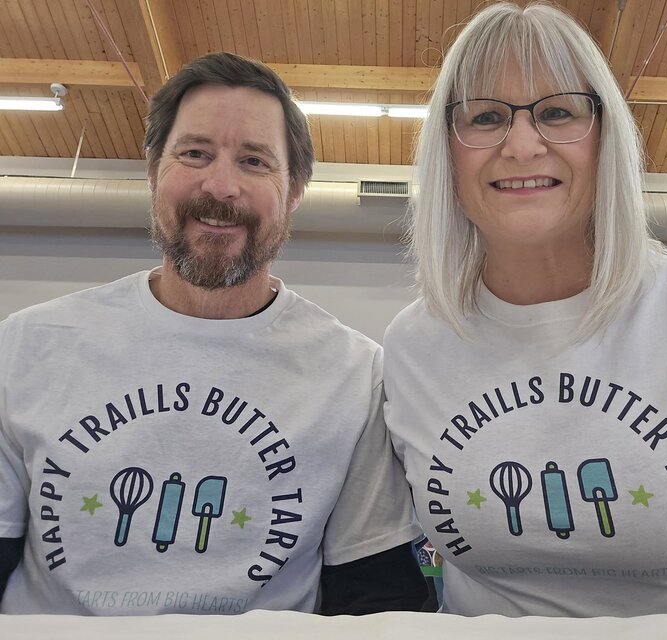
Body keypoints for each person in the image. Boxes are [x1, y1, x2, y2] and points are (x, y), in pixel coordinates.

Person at [383, 1, 667, 618]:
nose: (521, 145)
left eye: (557, 112)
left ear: (606, 137)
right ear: (448, 150)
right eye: (486, 117)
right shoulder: (414, 344)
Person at [0, 51, 426, 616]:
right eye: (195, 153)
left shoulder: (356, 376)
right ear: (154, 171)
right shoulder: (27, 345)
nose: (220, 185)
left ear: (295, 189)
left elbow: (375, 597)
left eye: (254, 161)